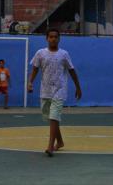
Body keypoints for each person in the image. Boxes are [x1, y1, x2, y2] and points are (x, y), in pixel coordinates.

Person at [27, 28, 82, 157]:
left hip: (60, 90)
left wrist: (78, 87)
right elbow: (35, 68)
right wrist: (30, 82)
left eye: (55, 37)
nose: (53, 39)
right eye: (50, 37)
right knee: (50, 118)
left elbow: (72, 70)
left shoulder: (64, 54)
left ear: (59, 39)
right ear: (47, 38)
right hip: (45, 90)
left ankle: (50, 146)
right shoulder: (40, 53)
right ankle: (60, 141)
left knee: (54, 117)